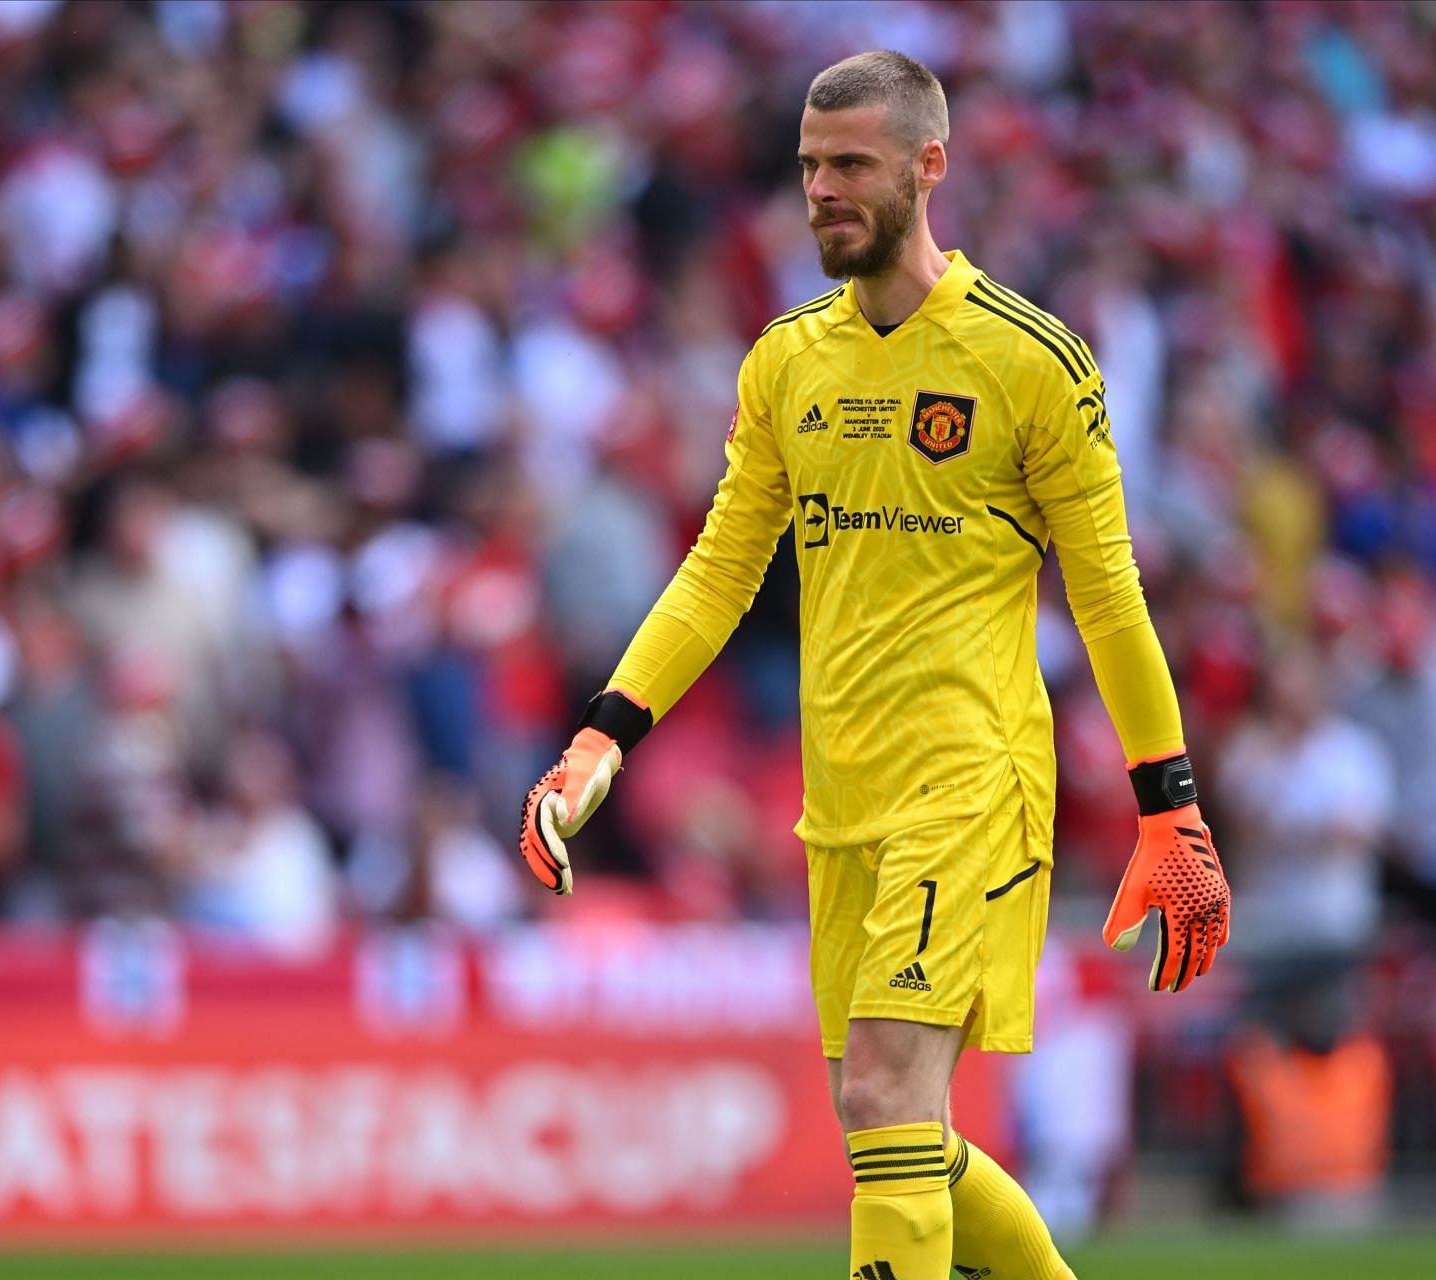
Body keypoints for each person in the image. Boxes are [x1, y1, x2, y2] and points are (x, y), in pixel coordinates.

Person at [518, 52, 1231, 1280]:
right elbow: (716, 572)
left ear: (926, 167)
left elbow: (1109, 596)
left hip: (972, 781)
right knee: (887, 1115)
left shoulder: (1030, 361)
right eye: (808, 167)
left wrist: (1170, 806)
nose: (821, 191)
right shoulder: (789, 361)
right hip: (841, 795)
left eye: (849, 164)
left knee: (890, 1083)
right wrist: (604, 734)